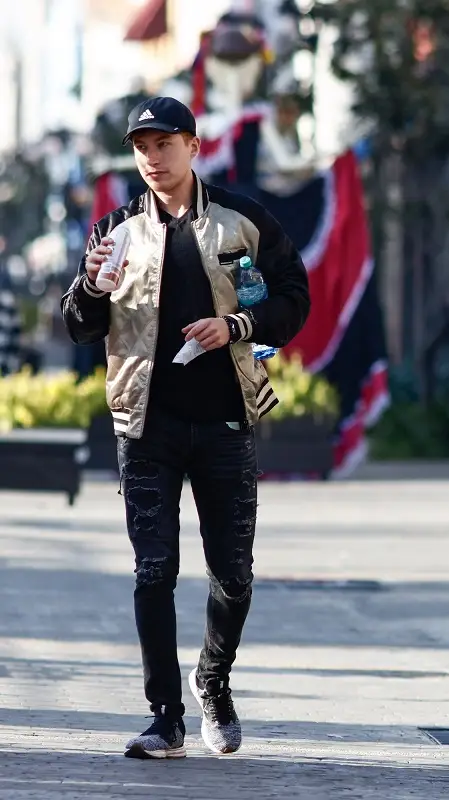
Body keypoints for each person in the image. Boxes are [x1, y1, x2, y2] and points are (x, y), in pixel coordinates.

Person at [60, 96, 311, 760]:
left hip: (226, 420)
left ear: (194, 147)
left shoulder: (242, 219)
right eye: (142, 147)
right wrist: (91, 287)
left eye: (164, 144)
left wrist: (237, 325)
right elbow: (79, 325)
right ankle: (164, 717)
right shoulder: (115, 230)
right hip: (146, 426)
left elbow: (295, 297)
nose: (152, 158)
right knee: (153, 571)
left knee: (234, 574)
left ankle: (213, 682)